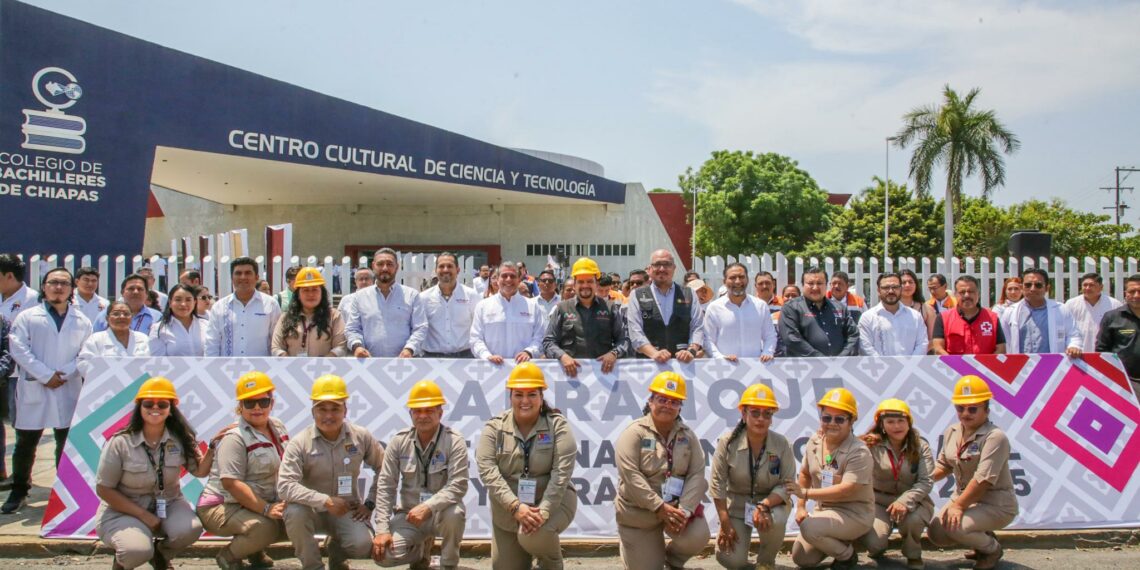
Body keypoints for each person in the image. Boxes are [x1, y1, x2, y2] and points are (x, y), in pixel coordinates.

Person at [95, 378, 219, 570]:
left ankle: (160, 554)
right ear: (139, 407)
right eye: (148, 404)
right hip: (124, 509)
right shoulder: (120, 442)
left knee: (190, 529)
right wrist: (143, 515)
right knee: (135, 552)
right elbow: (104, 489)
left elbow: (200, 471)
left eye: (162, 404)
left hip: (168, 503)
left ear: (171, 409)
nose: (155, 408)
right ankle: (123, 560)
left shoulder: (181, 438)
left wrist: (212, 448)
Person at [4, 267, 93, 514]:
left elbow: (86, 352)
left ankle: (64, 491)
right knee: (26, 442)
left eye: (64, 283)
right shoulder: (27, 317)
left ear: (71, 289)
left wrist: (62, 374)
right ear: (44, 287)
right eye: (53, 282)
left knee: (64, 442)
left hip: (67, 386)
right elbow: (18, 349)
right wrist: (45, 374)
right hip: (36, 385)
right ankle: (19, 489)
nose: (58, 287)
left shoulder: (82, 320)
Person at [475, 363, 578, 569]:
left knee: (535, 535)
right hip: (508, 511)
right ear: (510, 396)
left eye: (532, 394)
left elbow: (561, 475)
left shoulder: (558, 426)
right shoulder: (494, 428)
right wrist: (516, 507)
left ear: (541, 397)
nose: (525, 401)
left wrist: (543, 512)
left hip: (552, 503)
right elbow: (488, 471)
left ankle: (551, 562)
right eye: (518, 394)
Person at [278, 374, 386, 570]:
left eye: (335, 408)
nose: (329, 415)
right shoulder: (300, 443)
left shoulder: (361, 436)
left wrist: (370, 503)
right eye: (322, 409)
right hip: (310, 511)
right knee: (293, 511)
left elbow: (386, 470)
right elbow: (285, 486)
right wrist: (325, 501)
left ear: (345, 410)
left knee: (362, 545)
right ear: (313, 412)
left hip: (346, 510)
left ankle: (336, 551)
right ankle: (313, 566)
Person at [615, 372, 709, 570]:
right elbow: (630, 476)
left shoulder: (687, 435)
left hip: (675, 510)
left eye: (674, 402)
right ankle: (634, 549)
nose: (667, 405)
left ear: (680, 407)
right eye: (662, 399)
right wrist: (659, 507)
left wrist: (684, 511)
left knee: (698, 535)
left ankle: (673, 562)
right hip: (639, 515)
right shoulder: (634, 433)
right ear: (650, 401)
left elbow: (697, 475)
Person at [371, 380, 469, 570]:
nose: (422, 416)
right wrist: (382, 530)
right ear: (410, 414)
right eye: (417, 411)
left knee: (455, 513)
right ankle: (421, 552)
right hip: (409, 516)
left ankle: (448, 565)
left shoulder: (454, 441)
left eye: (429, 410)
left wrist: (428, 506)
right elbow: (386, 485)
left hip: (440, 513)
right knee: (383, 557)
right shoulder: (399, 441)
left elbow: (458, 485)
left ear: (440, 413)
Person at [198, 372, 290, 570]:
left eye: (263, 402)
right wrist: (266, 509)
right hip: (222, 505)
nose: (257, 408)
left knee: (297, 517)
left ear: (271, 403)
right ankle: (229, 556)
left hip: (255, 503)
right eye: (249, 403)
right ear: (240, 407)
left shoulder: (278, 427)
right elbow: (231, 483)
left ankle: (254, 550)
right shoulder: (234, 438)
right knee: (264, 528)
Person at [927, 376, 1019, 569]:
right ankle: (982, 536)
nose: (965, 414)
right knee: (936, 533)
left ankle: (992, 549)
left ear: (986, 409)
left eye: (972, 409)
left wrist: (958, 507)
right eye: (960, 408)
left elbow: (983, 480)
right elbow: (944, 465)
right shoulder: (952, 431)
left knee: (956, 526)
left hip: (996, 503)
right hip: (964, 498)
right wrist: (921, 480)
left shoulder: (995, 437)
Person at [784, 388, 874, 569]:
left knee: (809, 528)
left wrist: (806, 493)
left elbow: (847, 488)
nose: (832, 423)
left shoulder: (859, 451)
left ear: (851, 421)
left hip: (854, 514)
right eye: (826, 418)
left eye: (839, 419)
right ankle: (836, 540)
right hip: (824, 511)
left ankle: (847, 556)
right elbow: (805, 474)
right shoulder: (814, 442)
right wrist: (800, 507)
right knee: (802, 558)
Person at [711, 384, 794, 569]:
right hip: (738, 506)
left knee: (776, 519)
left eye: (767, 414)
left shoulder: (782, 444)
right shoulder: (727, 442)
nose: (761, 419)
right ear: (743, 413)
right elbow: (717, 483)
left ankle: (766, 562)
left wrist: (764, 505)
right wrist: (725, 522)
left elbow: (787, 485)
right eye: (755, 412)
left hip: (770, 506)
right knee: (730, 559)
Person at [858, 399, 935, 570]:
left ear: (909, 423)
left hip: (913, 501)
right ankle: (878, 549)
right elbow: (843, 445)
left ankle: (913, 555)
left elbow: (926, 481)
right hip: (878, 501)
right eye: (890, 422)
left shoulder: (921, 446)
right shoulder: (870, 444)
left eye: (901, 421)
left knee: (913, 521)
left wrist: (904, 501)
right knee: (875, 542)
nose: (896, 426)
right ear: (882, 425)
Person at [541, 257, 627, 377]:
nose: (585, 285)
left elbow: (623, 340)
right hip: (569, 377)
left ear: (596, 284)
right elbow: (548, 341)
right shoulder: (562, 308)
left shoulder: (610, 308)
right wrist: (562, 356)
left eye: (589, 281)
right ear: (575, 284)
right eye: (581, 282)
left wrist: (613, 353)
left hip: (603, 377)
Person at [0, 254, 39, 487]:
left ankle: (22, 474)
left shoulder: (32, 300)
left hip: (19, 374)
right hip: (1, 371)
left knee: (21, 425)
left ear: (9, 276)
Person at [626, 249, 705, 363]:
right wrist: (654, 353)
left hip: (683, 364)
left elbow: (697, 326)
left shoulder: (689, 293)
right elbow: (635, 330)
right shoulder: (637, 295)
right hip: (649, 364)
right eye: (657, 264)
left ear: (674, 268)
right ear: (649, 269)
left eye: (667, 264)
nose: (662, 269)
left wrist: (691, 351)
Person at [343, 248, 423, 358]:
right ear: (373, 266)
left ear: (397, 267)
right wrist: (357, 346)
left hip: (404, 363)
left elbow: (420, 327)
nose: (385, 268)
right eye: (380, 264)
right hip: (368, 362)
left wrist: (409, 349)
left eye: (389, 264)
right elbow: (352, 328)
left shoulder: (412, 295)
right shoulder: (360, 297)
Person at [402, 253, 479, 359]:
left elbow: (479, 328)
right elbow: (418, 328)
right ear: (436, 270)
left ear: (458, 270)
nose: (445, 270)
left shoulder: (471, 296)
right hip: (431, 359)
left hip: (464, 358)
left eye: (450, 266)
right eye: (441, 266)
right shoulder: (424, 298)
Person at [205, 257, 283, 357]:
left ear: (256, 277)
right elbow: (212, 343)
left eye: (248, 273)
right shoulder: (219, 307)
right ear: (232, 277)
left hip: (262, 369)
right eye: (238, 273)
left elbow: (277, 341)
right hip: (227, 370)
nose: (243, 277)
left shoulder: (271, 304)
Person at [471, 261, 545, 364]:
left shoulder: (532, 307)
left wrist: (529, 352)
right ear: (497, 279)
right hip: (492, 369)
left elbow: (540, 336)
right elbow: (475, 338)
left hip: (524, 368)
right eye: (504, 276)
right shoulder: (483, 306)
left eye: (513, 276)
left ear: (519, 280)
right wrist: (487, 356)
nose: (508, 279)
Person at [704, 263, 777, 362]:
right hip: (725, 369)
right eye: (733, 277)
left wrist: (767, 352)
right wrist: (720, 358)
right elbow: (708, 340)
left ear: (747, 280)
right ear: (724, 281)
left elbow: (770, 335)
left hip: (756, 368)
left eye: (741, 277)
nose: (738, 281)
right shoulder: (714, 308)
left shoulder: (760, 306)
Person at [779, 267, 859, 357]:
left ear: (826, 285)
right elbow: (791, 338)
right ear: (803, 285)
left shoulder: (840, 307)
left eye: (819, 283)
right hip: (805, 367)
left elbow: (853, 334)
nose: (815, 287)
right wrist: (820, 359)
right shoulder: (791, 308)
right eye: (810, 283)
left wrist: (842, 357)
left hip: (839, 367)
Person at [1000, 268, 1082, 357]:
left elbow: (1074, 335)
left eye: (1038, 285)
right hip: (1020, 367)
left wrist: (1074, 346)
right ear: (1022, 287)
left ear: (1047, 288)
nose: (1032, 289)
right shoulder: (1010, 312)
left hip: (1053, 366)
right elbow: (1004, 342)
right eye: (1028, 285)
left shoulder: (1061, 310)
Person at [272, 267, 347, 357]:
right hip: (291, 368)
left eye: (315, 289)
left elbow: (340, 347)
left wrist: (321, 364)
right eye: (305, 290)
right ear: (298, 295)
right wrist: (290, 363)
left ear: (322, 293)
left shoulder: (334, 316)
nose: (311, 294)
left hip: (326, 369)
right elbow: (276, 348)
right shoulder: (285, 317)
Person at [931, 276, 1007, 356]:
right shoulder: (943, 318)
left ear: (978, 294)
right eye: (962, 292)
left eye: (971, 291)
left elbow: (1001, 348)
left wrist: (986, 366)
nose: (967, 295)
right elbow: (938, 348)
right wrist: (957, 366)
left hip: (985, 368)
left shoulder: (992, 318)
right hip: (953, 367)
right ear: (955, 294)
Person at [858, 273, 929, 356]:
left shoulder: (915, 316)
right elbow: (865, 347)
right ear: (878, 290)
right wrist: (884, 366)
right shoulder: (868, 317)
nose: (891, 291)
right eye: (886, 288)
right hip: (878, 367)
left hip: (910, 367)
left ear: (901, 289)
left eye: (895, 287)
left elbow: (922, 344)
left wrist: (909, 365)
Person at [79, 302, 151, 376]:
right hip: (106, 384)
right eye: (116, 314)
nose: (122, 317)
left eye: (126, 314)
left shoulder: (143, 338)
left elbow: (152, 364)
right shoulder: (96, 339)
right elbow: (83, 364)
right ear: (107, 318)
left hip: (138, 384)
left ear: (131, 318)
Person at [1097, 274, 1140, 396]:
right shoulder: (1112, 317)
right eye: (1132, 291)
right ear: (1126, 293)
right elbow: (1102, 350)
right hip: (1125, 381)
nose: (1136, 295)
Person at [1065, 272, 1122, 353]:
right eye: (1085, 285)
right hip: (1077, 353)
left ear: (1101, 287)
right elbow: (1066, 329)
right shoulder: (1071, 304)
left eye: (1091, 285)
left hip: (1105, 353)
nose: (1087, 288)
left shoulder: (1114, 304)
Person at [149, 284, 206, 357]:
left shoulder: (206, 325)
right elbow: (157, 361)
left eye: (188, 300)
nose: (183, 304)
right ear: (170, 303)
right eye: (178, 300)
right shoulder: (159, 329)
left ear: (194, 302)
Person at [94, 274, 162, 333]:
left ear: (147, 294)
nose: (135, 292)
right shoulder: (105, 315)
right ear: (122, 293)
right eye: (131, 289)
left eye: (140, 289)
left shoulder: (157, 317)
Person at [900, 269, 937, 342]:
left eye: (910, 282)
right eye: (903, 282)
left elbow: (933, 339)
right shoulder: (890, 308)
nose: (907, 285)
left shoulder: (927, 309)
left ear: (916, 285)